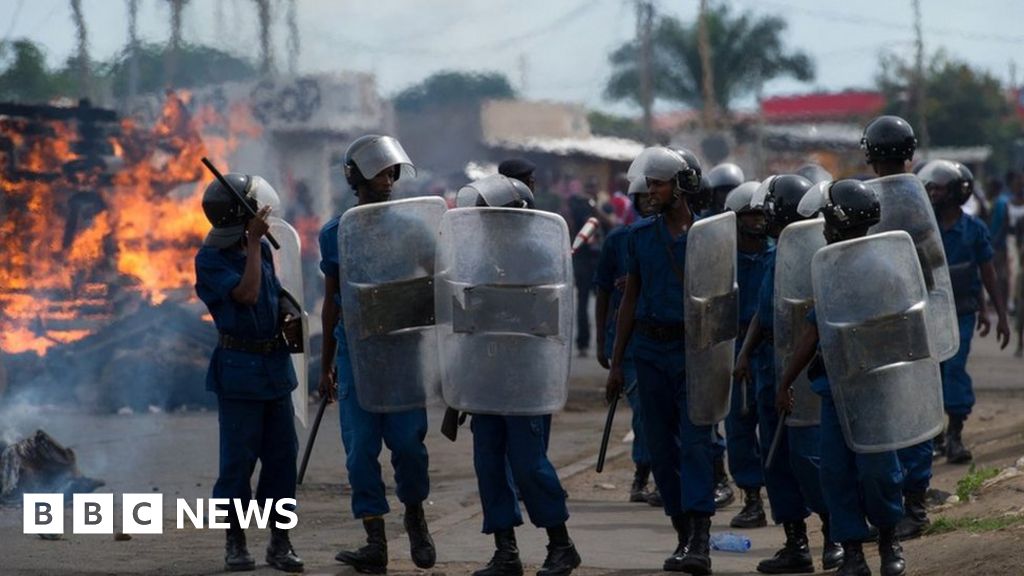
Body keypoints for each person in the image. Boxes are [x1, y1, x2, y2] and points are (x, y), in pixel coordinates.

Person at [444, 174, 581, 576]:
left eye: (491, 215)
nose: (484, 223)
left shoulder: (541, 255)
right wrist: (458, 392)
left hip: (526, 377)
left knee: (528, 465)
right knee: (488, 464)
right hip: (486, 377)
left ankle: (561, 545)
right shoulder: (476, 258)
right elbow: (464, 326)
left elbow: (548, 319)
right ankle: (506, 551)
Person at [778, 179, 908, 576]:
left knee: (878, 470)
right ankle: (852, 549)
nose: (823, 228)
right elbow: (813, 331)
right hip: (835, 389)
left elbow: (904, 330)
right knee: (835, 471)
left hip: (877, 388)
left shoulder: (885, 269)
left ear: (837, 221)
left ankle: (888, 539)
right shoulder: (829, 268)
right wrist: (786, 380)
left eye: (826, 220)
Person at [318, 135, 435, 574]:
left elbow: (437, 276)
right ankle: (374, 539)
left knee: (408, 445)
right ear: (356, 176)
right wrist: (327, 363)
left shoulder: (411, 226)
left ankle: (415, 516)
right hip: (356, 353)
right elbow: (332, 301)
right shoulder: (335, 233)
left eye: (392, 172)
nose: (388, 180)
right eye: (380, 172)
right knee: (360, 450)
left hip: (403, 349)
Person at [606, 146, 717, 575]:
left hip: (695, 353)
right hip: (649, 354)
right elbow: (629, 299)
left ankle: (701, 540)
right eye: (649, 183)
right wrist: (617, 363)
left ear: (682, 185)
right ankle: (682, 535)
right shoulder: (638, 236)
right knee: (660, 450)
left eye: (659, 182)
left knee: (696, 444)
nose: (651, 191)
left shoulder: (711, 234)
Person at [194, 174, 304, 573]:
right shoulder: (210, 259)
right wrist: (256, 244)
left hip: (273, 371)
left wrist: (291, 313)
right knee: (237, 465)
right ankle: (235, 541)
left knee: (281, 462)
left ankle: (280, 541)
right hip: (239, 373)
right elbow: (247, 294)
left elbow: (272, 295)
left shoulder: (257, 251)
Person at [735, 175, 842, 574]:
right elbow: (764, 313)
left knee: (807, 456)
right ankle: (795, 542)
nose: (763, 216)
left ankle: (835, 533)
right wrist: (744, 354)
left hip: (801, 367)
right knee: (775, 458)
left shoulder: (814, 254)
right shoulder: (771, 254)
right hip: (767, 365)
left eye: (769, 209)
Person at [861, 114, 936, 541]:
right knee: (913, 408)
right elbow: (932, 266)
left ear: (868, 155)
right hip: (910, 316)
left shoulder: (859, 198)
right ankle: (911, 505)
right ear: (910, 154)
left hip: (878, 320)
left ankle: (902, 507)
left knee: (890, 411)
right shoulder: (918, 200)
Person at [920, 160, 1011, 463]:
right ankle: (935, 436)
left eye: (939, 186)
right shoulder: (922, 227)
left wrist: (996, 315)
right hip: (927, 313)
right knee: (933, 371)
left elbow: (987, 274)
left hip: (961, 312)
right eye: (930, 185)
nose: (933, 191)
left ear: (958, 191)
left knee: (955, 367)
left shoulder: (974, 229)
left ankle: (955, 435)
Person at [595, 177, 657, 504]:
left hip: (663, 337)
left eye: (654, 193)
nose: (648, 200)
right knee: (643, 409)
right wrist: (601, 343)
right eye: (642, 195)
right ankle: (642, 473)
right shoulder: (618, 240)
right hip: (629, 340)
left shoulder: (677, 237)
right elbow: (603, 290)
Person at [718, 181, 769, 530]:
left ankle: (787, 501)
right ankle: (751, 497)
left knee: (777, 425)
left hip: (772, 348)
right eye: (748, 215)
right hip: (733, 347)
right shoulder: (722, 259)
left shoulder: (778, 253)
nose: (756, 221)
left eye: (760, 213)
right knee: (738, 426)